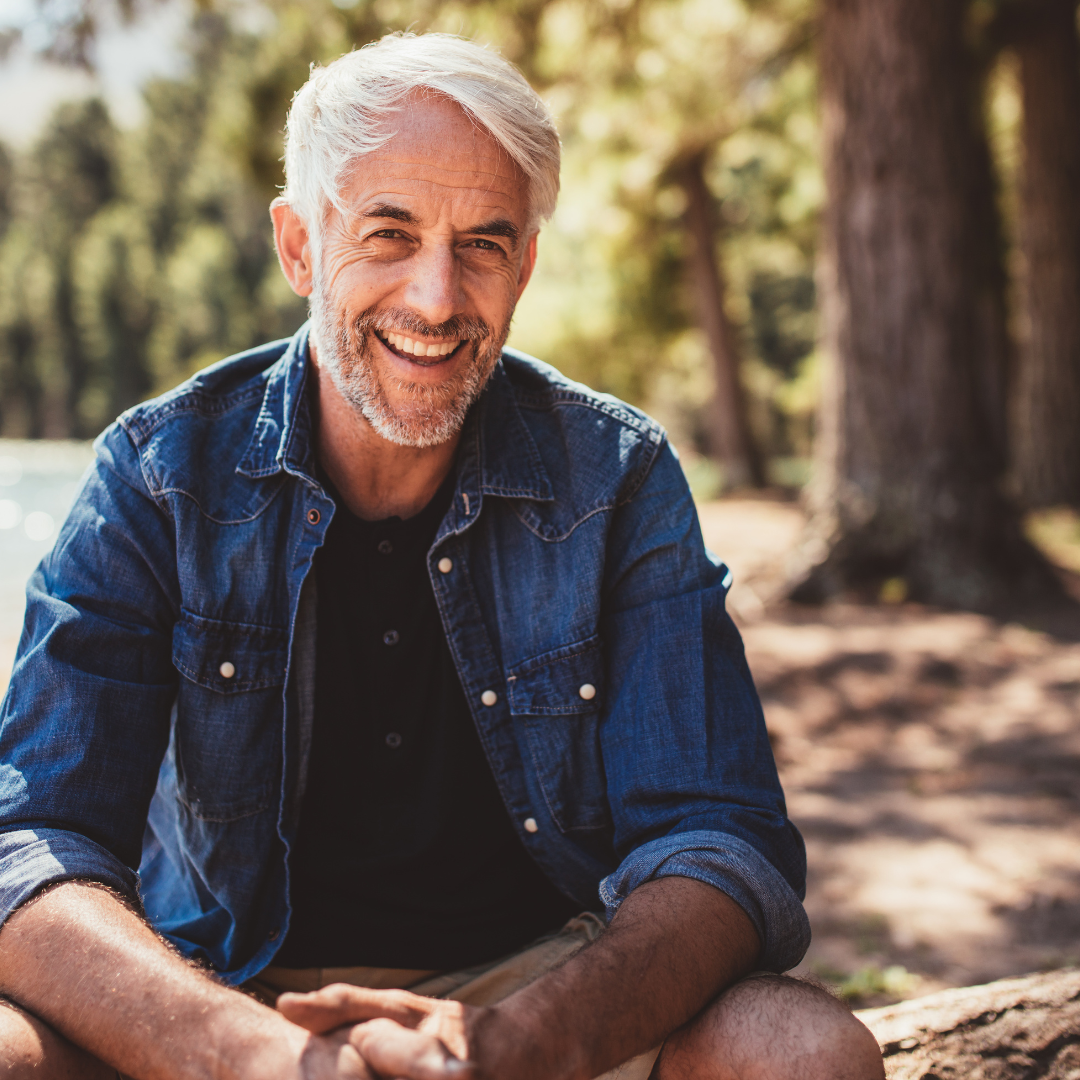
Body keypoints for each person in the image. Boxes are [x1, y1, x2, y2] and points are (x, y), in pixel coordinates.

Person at [0, 32, 884, 1080]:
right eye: (389, 233)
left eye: (483, 244)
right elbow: (32, 842)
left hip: (545, 990)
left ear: (526, 266)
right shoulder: (159, 475)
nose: (435, 298)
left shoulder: (619, 476)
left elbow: (720, 844)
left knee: (800, 1052)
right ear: (298, 246)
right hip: (220, 990)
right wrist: (254, 1056)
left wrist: (504, 1048)